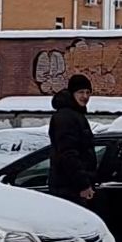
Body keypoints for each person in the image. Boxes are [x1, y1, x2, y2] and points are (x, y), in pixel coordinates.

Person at [48, 74, 98, 204]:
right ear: (72, 93)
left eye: (88, 92)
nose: (85, 96)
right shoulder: (66, 117)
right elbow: (68, 154)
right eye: (81, 92)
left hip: (71, 187)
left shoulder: (75, 114)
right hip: (69, 189)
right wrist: (83, 184)